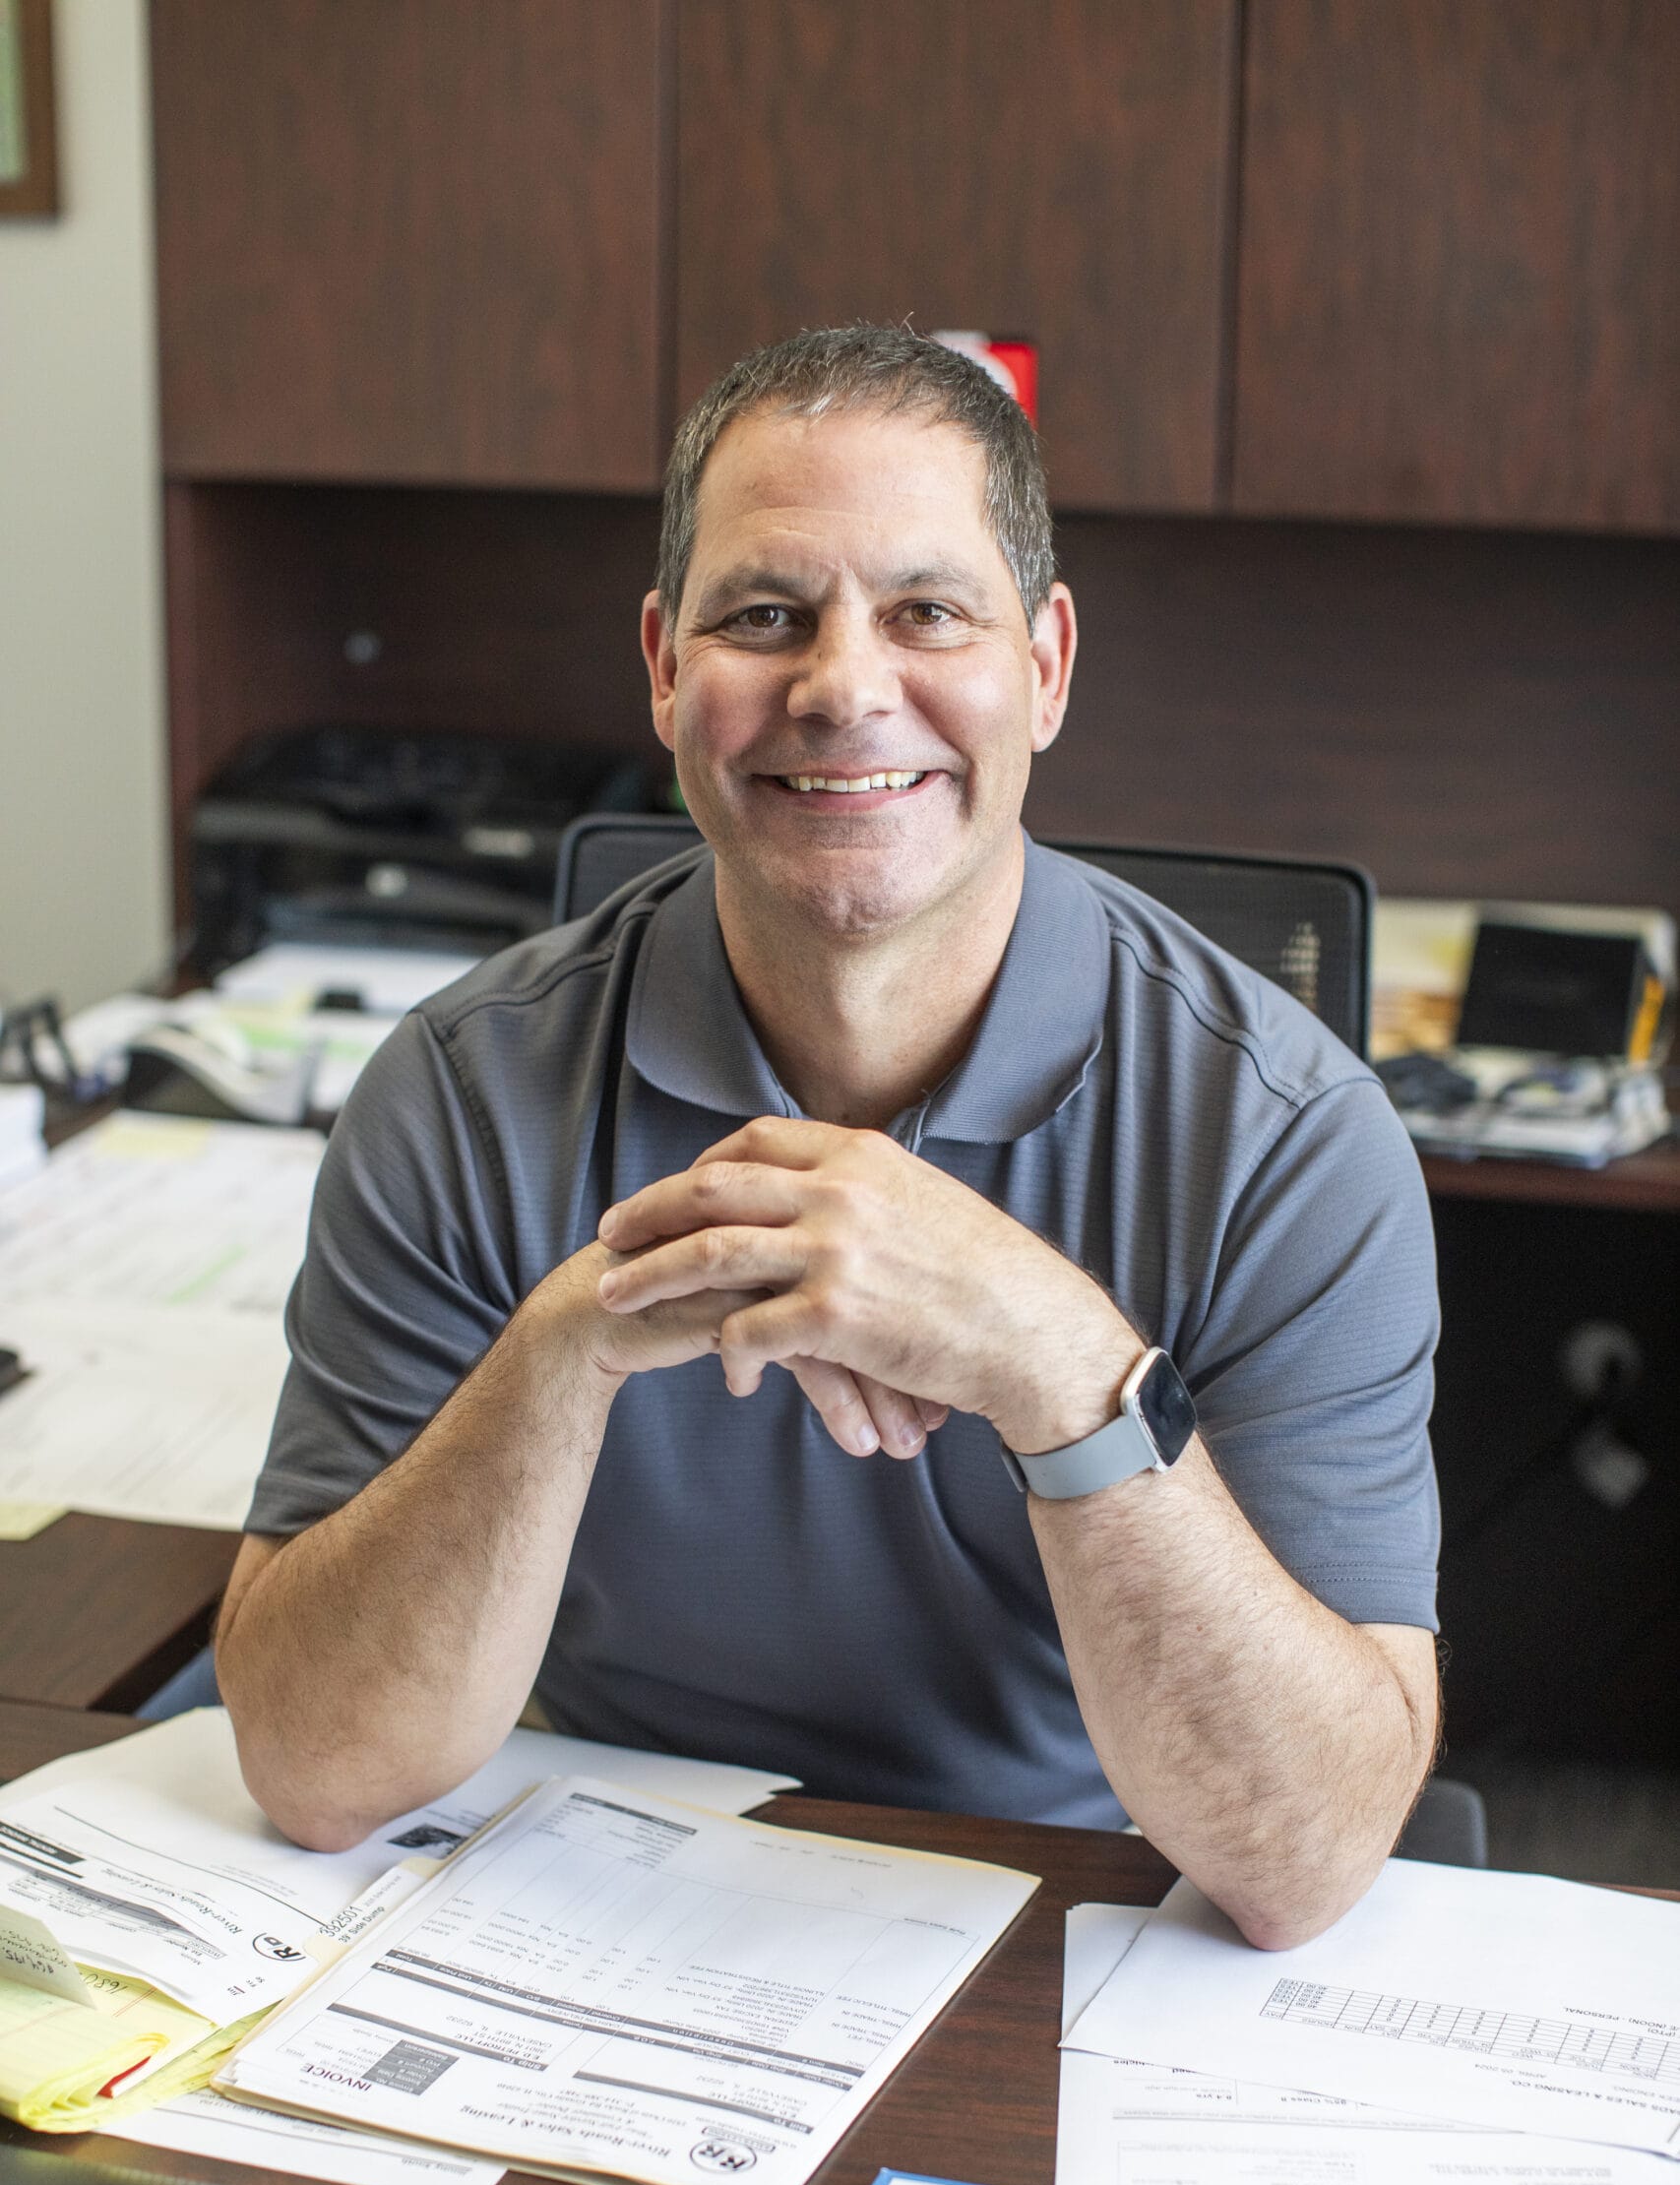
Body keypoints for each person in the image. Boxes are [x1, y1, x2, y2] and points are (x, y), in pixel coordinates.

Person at [218, 326, 1441, 1951]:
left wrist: (1056, 1361)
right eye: (764, 616)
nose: (846, 687)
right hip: (574, 1901)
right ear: (665, 667)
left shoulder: (1292, 1140)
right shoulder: (460, 1086)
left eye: (929, 611)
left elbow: (1304, 1860)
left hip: (1055, 1925)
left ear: (1050, 666)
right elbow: (315, 1771)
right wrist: (574, 1338)